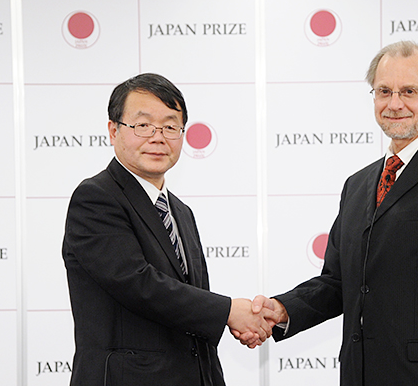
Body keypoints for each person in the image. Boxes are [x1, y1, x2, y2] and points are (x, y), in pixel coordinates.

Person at [249, 41, 418, 385]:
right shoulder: (357, 184)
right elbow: (338, 282)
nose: (394, 104)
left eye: (409, 91)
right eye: (384, 91)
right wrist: (284, 310)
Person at [62, 73, 275, 386]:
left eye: (170, 126)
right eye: (143, 125)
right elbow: (139, 284)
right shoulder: (96, 198)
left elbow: (188, 302)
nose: (157, 137)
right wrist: (229, 311)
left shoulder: (180, 212)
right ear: (113, 130)